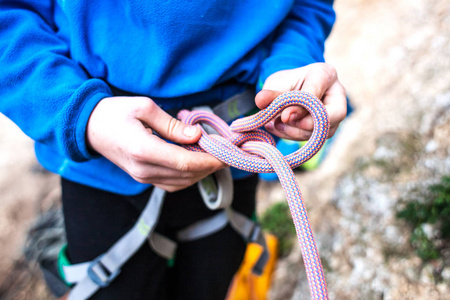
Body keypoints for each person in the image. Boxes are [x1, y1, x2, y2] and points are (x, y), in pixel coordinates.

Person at [0, 0, 347, 299]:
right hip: (102, 160)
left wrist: (292, 59)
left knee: (216, 282)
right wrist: (80, 114)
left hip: (233, 157)